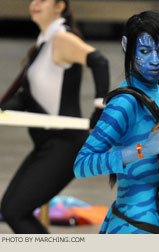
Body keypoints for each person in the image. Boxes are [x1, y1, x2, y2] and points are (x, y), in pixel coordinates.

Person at [0, 0, 109, 233]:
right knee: (11, 208)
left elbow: (99, 61)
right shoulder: (44, 42)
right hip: (47, 144)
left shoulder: (61, 38)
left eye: (43, 0)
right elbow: (28, 98)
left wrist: (100, 108)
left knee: (15, 210)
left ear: (60, 6)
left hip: (65, 145)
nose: (34, 4)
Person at [74, 11, 159, 234]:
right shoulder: (124, 104)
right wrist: (141, 149)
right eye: (145, 51)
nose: (155, 60)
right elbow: (82, 165)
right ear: (127, 46)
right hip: (132, 228)